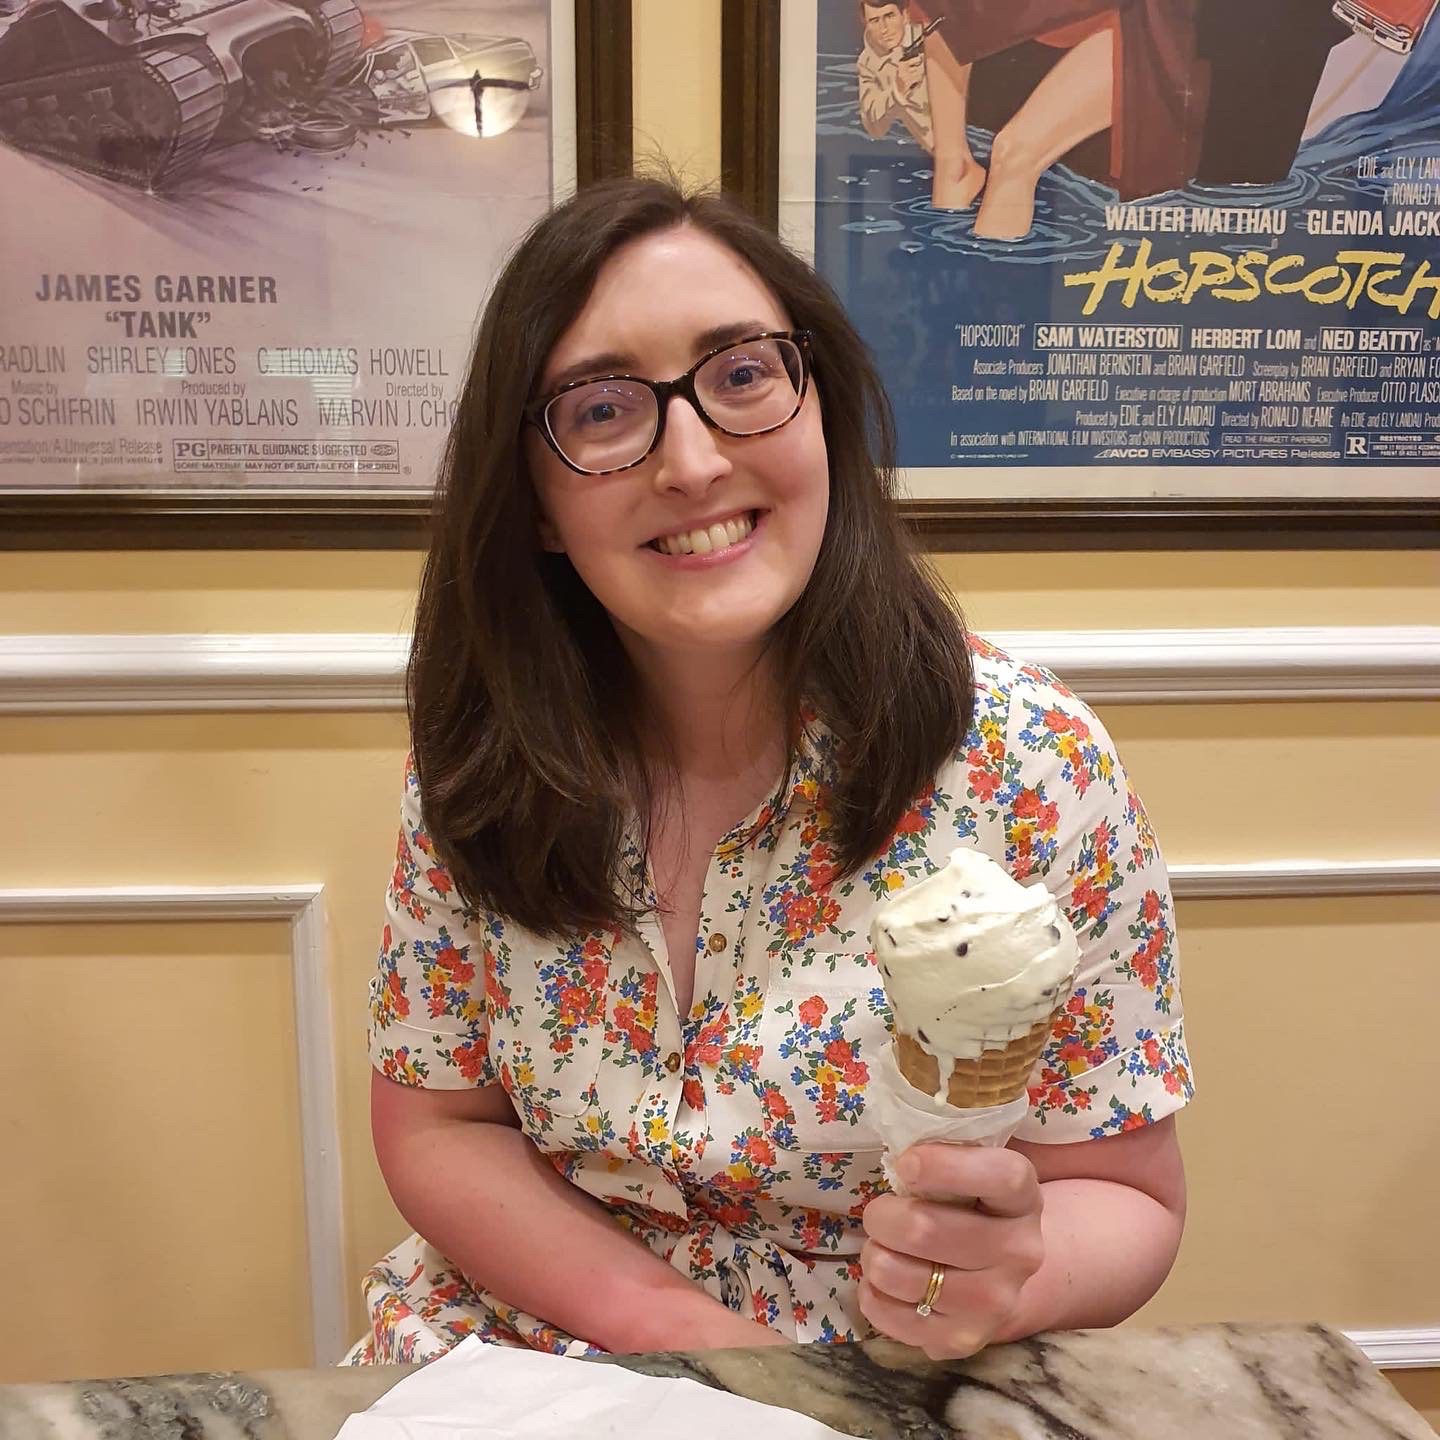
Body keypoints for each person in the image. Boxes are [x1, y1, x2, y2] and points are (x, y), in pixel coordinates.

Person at [348, 174, 1193, 1365]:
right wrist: (681, 1338)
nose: (690, 462)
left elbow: (1131, 1192)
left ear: (821, 411)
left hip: (875, 1373)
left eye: (742, 377)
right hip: (528, 1347)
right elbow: (438, 1124)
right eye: (600, 411)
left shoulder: (1030, 764)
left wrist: (1010, 1276)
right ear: (534, 502)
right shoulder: (487, 755)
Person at [857, 0, 936, 152]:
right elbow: (873, 126)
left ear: (905, 15)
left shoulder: (931, 36)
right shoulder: (868, 62)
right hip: (937, 148)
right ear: (866, 24)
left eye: (889, 16)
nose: (884, 29)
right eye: (874, 21)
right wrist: (897, 91)